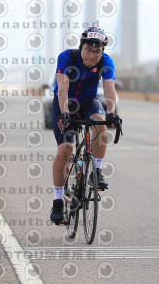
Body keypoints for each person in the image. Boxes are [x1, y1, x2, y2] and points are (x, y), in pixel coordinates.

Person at [49, 27, 123, 225]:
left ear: (102, 52)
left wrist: (111, 113)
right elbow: (62, 87)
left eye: (97, 51)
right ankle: (58, 201)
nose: (92, 55)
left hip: (89, 101)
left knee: (100, 123)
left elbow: (109, 87)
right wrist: (65, 112)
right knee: (66, 149)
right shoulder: (67, 57)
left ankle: (96, 171)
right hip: (65, 103)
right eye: (88, 49)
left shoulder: (106, 62)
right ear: (81, 47)